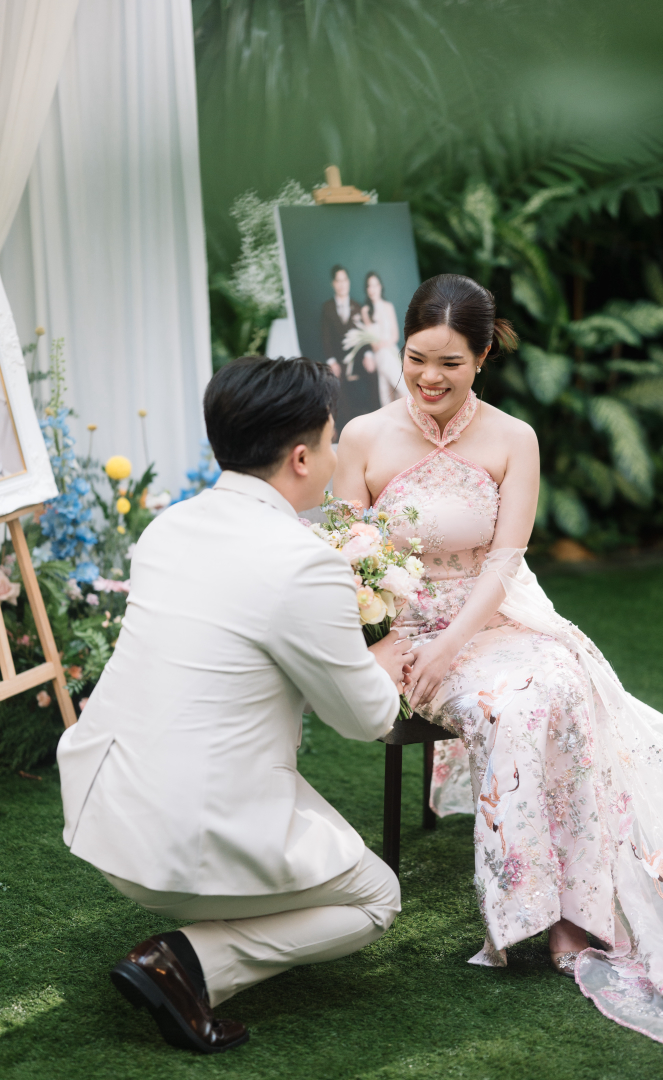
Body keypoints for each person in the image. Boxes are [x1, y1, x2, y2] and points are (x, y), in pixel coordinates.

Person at [333, 273, 663, 1059]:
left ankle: (576, 909)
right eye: (416, 359)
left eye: (450, 363)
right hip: (398, 632)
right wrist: (387, 641)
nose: (430, 378)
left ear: (482, 359)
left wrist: (451, 646)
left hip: (493, 618)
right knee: (511, 708)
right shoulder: (363, 438)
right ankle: (518, 913)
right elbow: (343, 556)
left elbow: (504, 563)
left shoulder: (514, 439)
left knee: (555, 688)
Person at [56, 356, 414, 1055]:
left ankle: (185, 951)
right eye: (333, 441)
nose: (338, 455)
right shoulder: (304, 563)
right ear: (303, 456)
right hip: (185, 844)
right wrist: (386, 652)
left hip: (106, 817)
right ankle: (189, 963)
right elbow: (367, 719)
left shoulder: (168, 529)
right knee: (378, 898)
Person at [321, 265, 379, 432]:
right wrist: (332, 361)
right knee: (335, 380)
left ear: (348, 282)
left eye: (344, 280)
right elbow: (325, 339)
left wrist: (368, 354)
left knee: (373, 371)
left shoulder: (358, 306)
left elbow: (365, 336)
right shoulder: (327, 308)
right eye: (338, 281)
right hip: (339, 360)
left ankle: (376, 419)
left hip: (359, 359)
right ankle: (347, 427)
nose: (342, 284)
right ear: (333, 284)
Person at [359, 272, 407, 407]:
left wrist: (385, 344)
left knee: (389, 394)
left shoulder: (388, 306)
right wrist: (379, 345)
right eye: (369, 286)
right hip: (379, 354)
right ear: (367, 289)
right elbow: (372, 343)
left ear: (380, 287)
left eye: (375, 285)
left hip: (391, 351)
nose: (373, 289)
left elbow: (395, 335)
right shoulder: (365, 311)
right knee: (394, 391)